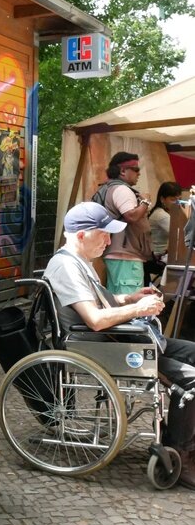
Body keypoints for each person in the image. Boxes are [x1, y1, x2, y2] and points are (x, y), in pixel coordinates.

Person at [44, 202, 195, 490]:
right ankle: (181, 453)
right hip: (102, 345)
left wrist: (131, 298)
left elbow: (100, 302)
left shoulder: (80, 261)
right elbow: (95, 319)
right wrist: (139, 310)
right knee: (190, 380)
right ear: (81, 235)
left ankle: (182, 437)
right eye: (103, 233)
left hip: (117, 338)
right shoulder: (66, 266)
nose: (109, 239)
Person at [92, 151, 152, 294]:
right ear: (123, 171)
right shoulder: (122, 190)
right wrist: (145, 201)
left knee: (117, 300)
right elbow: (131, 216)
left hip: (119, 255)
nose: (139, 173)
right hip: (125, 257)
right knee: (129, 301)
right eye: (136, 169)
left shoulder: (109, 188)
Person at [146, 181, 182, 282]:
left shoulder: (159, 211)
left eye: (179, 199)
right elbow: (180, 236)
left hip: (158, 256)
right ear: (162, 199)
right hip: (158, 259)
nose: (177, 203)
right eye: (173, 199)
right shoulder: (161, 215)